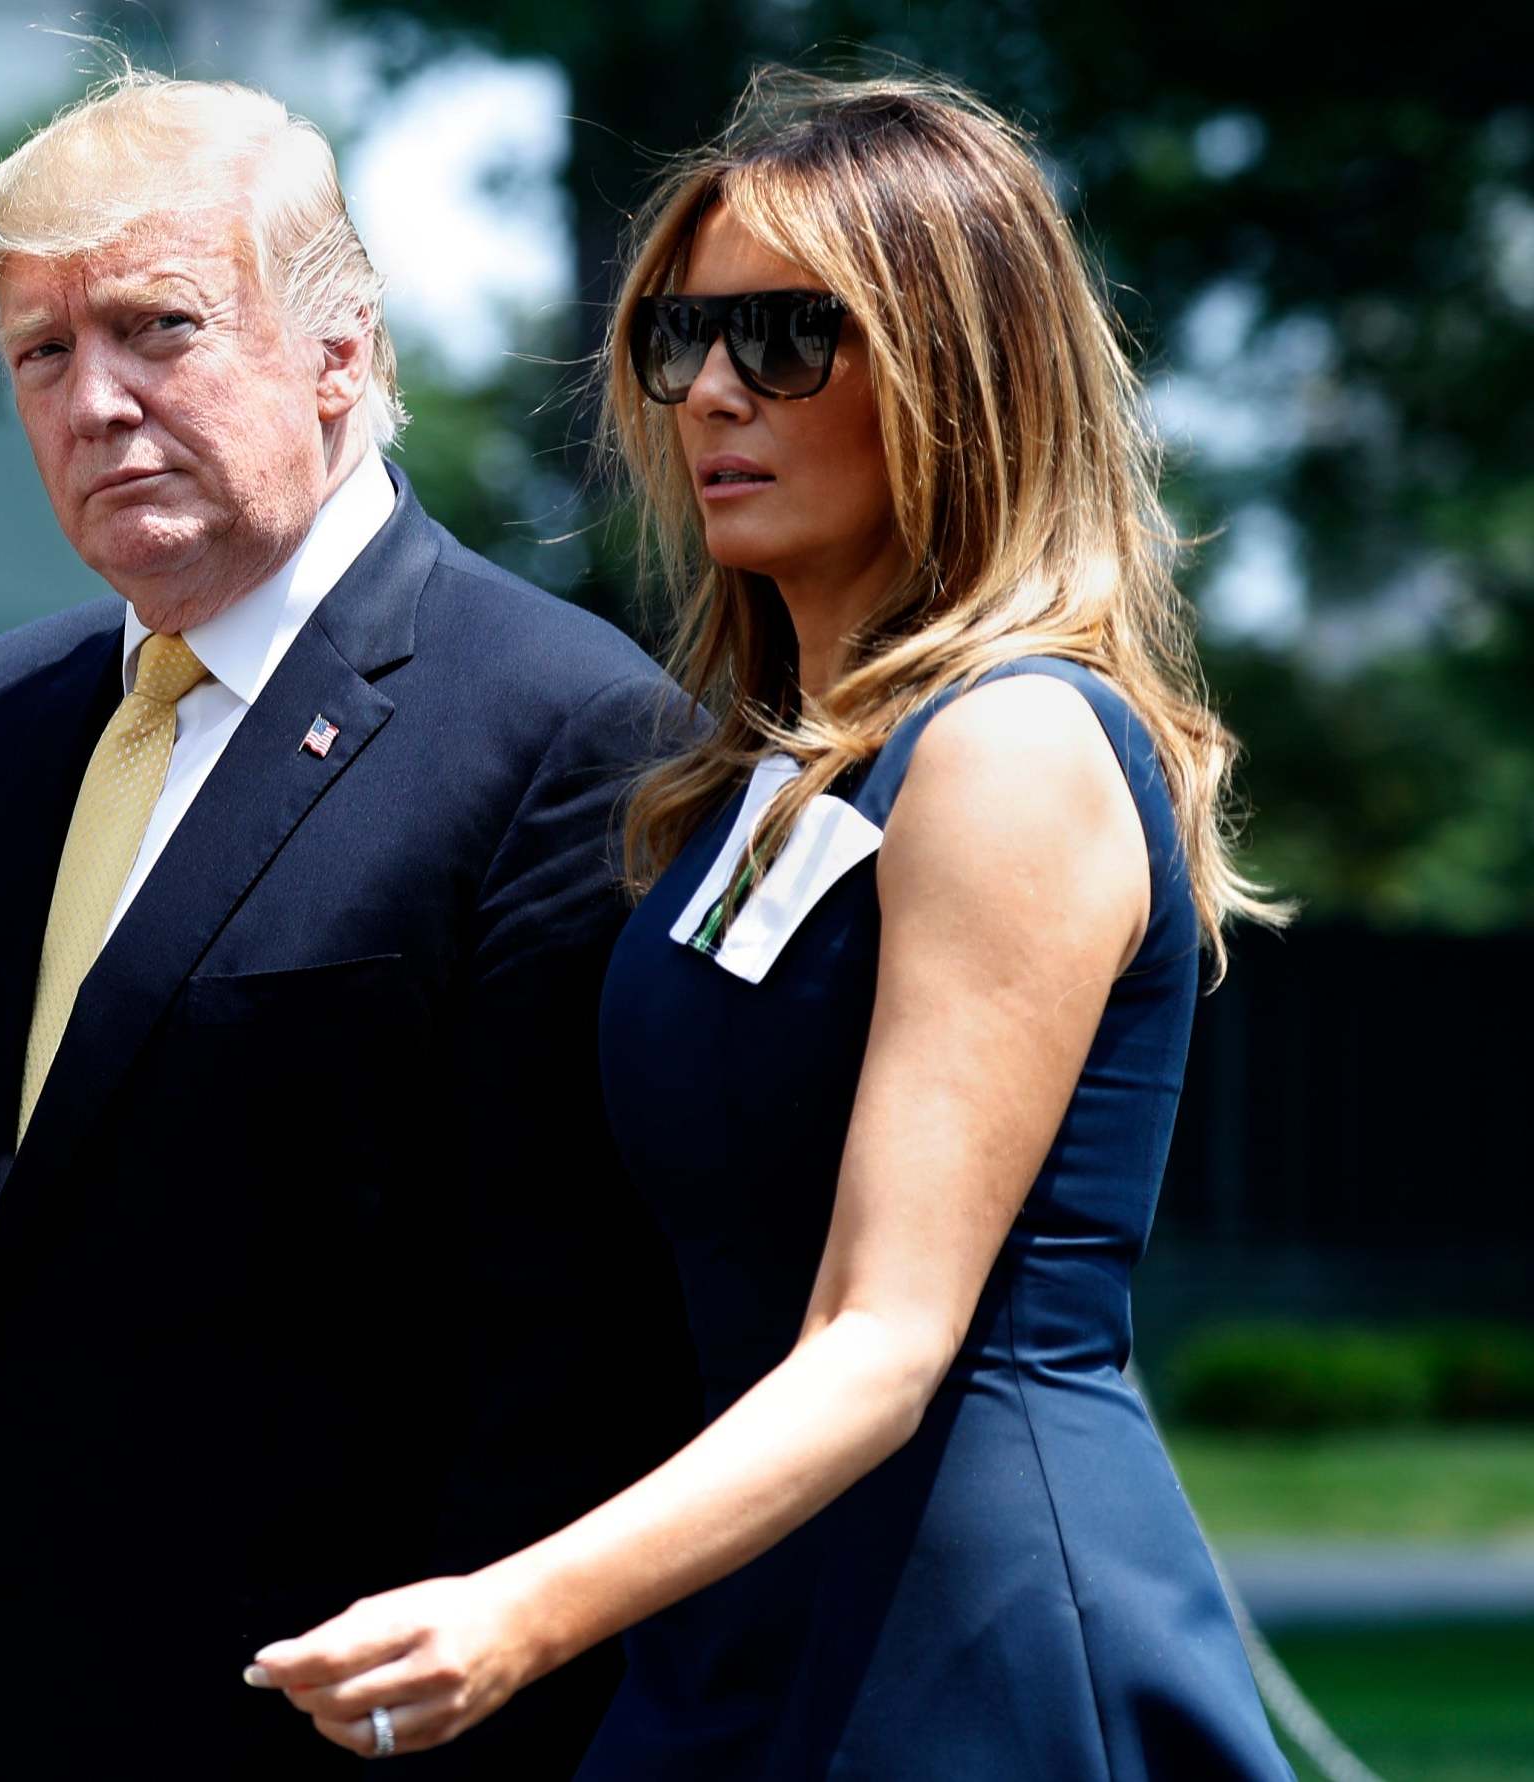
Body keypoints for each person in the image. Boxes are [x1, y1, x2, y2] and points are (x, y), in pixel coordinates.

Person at [0, 71, 697, 1780]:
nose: (95, 402)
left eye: (157, 329)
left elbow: (576, 1366)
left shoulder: (559, 727)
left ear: (341, 355)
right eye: (41, 352)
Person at [250, 67, 1297, 1778]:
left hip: (970, 1625)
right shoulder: (761, 781)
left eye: (791, 339)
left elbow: (885, 1333)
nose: (713, 390)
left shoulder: (1009, 744)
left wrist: (518, 1607)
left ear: (961, 378)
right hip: (758, 1603)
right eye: (681, 339)